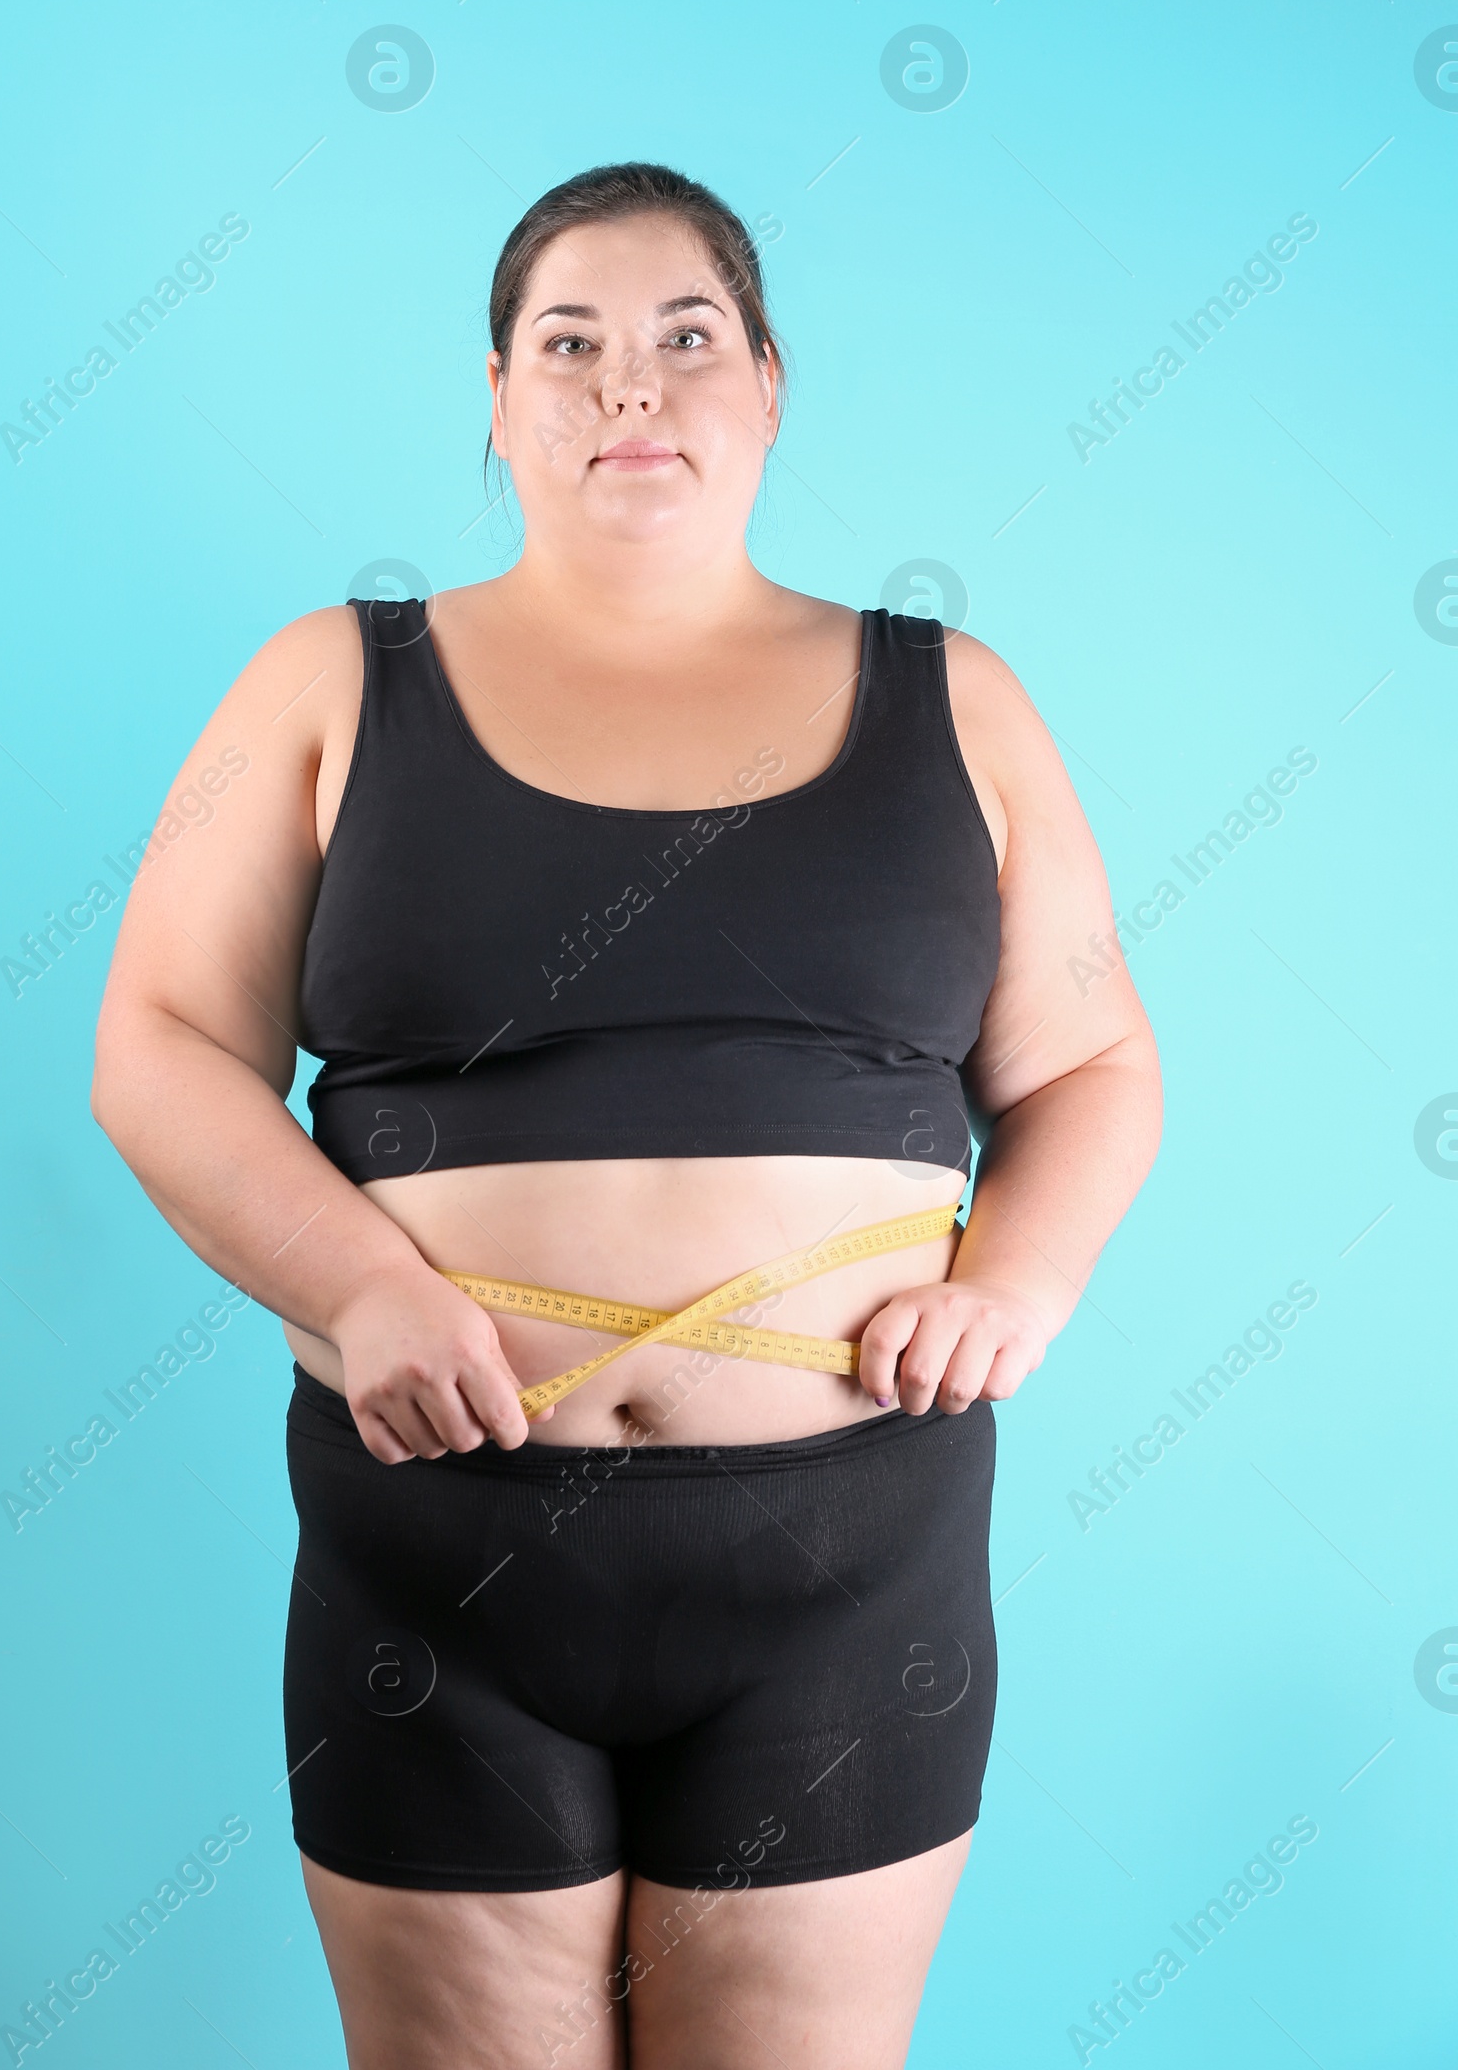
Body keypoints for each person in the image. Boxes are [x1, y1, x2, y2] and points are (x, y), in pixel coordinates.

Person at [92, 161, 1161, 2070]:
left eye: (685, 339)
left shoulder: (960, 701)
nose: (626, 388)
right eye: (566, 345)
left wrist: (1024, 1275)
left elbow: (1090, 1067)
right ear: (495, 400)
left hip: (852, 1579)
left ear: (769, 383)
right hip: (437, 1560)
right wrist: (360, 1284)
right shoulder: (333, 680)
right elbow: (161, 1044)